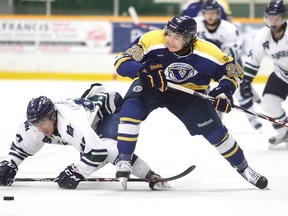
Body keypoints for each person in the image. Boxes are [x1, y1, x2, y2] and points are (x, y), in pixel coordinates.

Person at [113, 14, 268, 190]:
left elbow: (233, 73)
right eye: (168, 34)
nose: (169, 40)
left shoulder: (208, 53)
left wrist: (224, 92)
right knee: (131, 109)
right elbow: (121, 61)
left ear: (189, 39)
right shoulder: (152, 40)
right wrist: (143, 70)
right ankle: (124, 160)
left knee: (216, 133)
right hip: (154, 86)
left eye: (176, 37)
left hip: (188, 93)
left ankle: (244, 168)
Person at [0, 83, 170, 190]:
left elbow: (99, 153)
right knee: (94, 148)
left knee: (108, 148)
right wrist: (10, 164)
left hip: (110, 110)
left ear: (52, 116)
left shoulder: (72, 124)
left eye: (43, 123)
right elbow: (19, 149)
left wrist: (77, 171)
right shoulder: (36, 126)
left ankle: (152, 176)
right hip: (91, 115)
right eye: (36, 124)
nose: (40, 129)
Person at [194, 0, 263, 130]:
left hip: (227, 62)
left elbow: (235, 51)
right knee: (202, 88)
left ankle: (252, 118)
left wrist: (219, 52)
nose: (210, 16)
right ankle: (215, 114)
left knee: (239, 91)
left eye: (213, 13)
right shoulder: (196, 24)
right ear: (203, 14)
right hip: (206, 63)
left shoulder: (229, 29)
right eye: (207, 13)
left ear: (218, 14)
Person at [239, 0, 288, 149]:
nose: (272, 21)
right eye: (270, 17)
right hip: (282, 74)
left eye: (277, 17)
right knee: (268, 102)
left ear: (284, 17)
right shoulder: (262, 36)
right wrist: (246, 81)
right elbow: (254, 60)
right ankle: (284, 132)